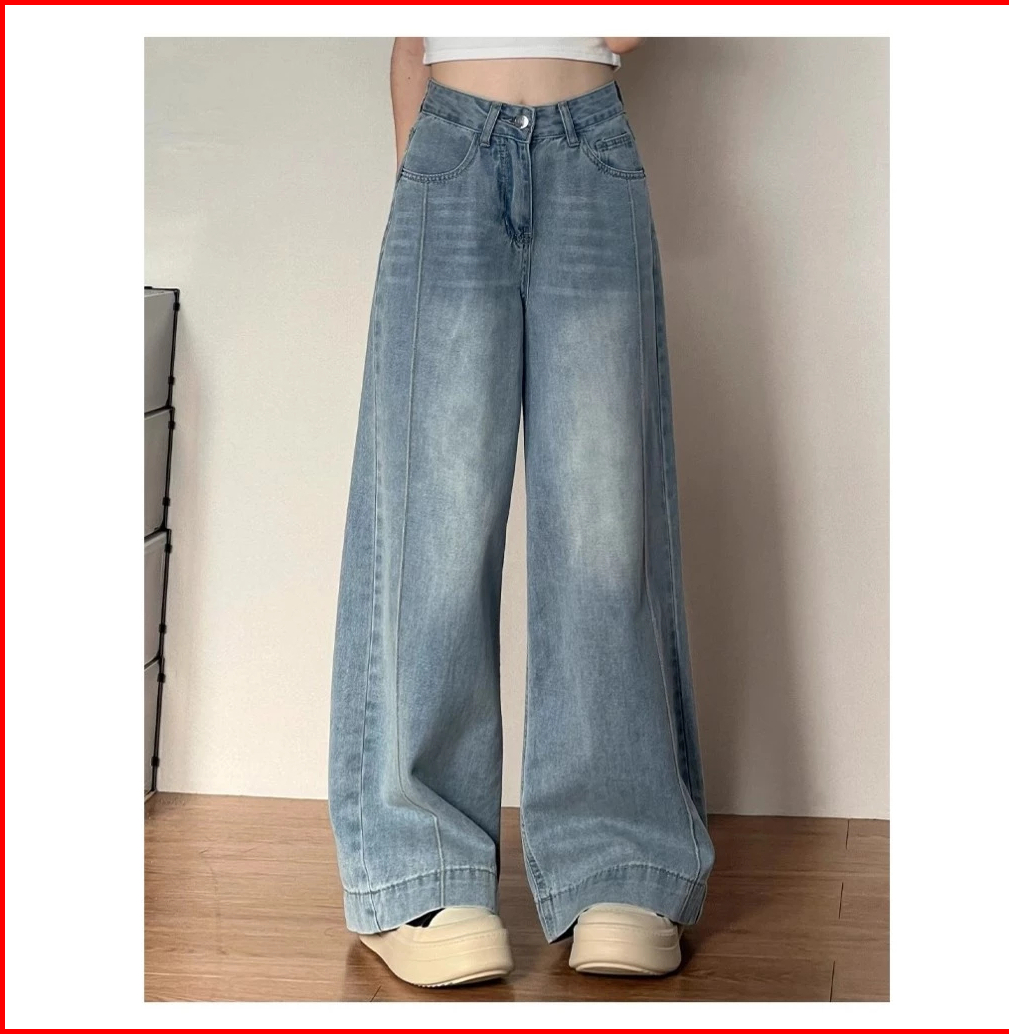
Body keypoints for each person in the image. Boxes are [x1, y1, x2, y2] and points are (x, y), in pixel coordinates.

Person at [328, 37, 715, 988]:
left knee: (604, 528)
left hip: (592, 150)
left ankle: (619, 859)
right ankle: (420, 866)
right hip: (446, 147)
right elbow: (409, 40)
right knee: (433, 527)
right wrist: (425, 177)